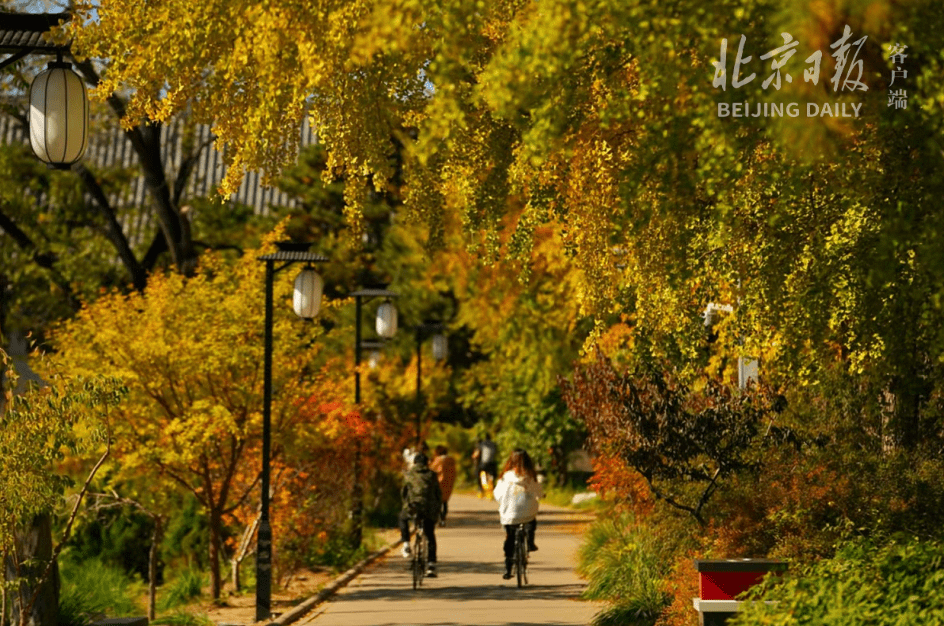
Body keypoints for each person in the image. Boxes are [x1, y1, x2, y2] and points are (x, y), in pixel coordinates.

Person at [493, 449, 542, 580]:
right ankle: (530, 542)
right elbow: (538, 492)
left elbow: (497, 495)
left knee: (510, 537)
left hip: (509, 514)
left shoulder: (505, 477)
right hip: (528, 513)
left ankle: (508, 568)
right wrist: (540, 495)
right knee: (531, 521)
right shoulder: (531, 476)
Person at [398, 452, 443, 577]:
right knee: (430, 536)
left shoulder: (409, 475)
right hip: (429, 509)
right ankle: (431, 566)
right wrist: (439, 510)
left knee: (402, 518)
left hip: (413, 508)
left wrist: (406, 504)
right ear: (427, 463)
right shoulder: (432, 475)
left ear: (415, 463)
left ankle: (406, 543)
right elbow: (438, 494)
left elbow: (404, 493)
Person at [429, 445, 457, 525]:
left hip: (439, 483)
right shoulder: (451, 460)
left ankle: (440, 518)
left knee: (437, 502)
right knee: (445, 502)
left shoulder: (438, 460)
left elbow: (432, 468)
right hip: (448, 483)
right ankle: (443, 518)